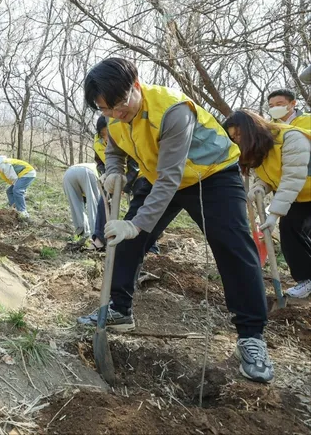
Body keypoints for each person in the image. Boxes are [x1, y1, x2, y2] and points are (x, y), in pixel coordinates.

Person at [78, 57, 273, 383]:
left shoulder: (172, 111)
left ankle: (251, 337)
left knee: (233, 248)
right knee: (126, 242)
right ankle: (119, 309)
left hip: (211, 175)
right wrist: (114, 171)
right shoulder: (113, 115)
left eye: (120, 105)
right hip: (159, 176)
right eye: (105, 109)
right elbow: (115, 148)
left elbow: (171, 178)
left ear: (135, 86)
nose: (115, 114)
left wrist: (137, 224)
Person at [223, 110, 311, 299]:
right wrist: (260, 187)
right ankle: (307, 278)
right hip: (300, 194)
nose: (237, 140)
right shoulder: (260, 147)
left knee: (292, 227)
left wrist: (274, 215)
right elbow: (269, 175)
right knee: (291, 229)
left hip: (302, 189)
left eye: (238, 134)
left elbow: (292, 178)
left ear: (250, 128)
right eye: (233, 138)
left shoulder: (290, 138)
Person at [94, 116, 159, 254]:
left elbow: (134, 165)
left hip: (140, 175)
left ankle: (150, 245)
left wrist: (124, 186)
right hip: (114, 176)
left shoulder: (126, 133)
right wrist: (105, 174)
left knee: (140, 202)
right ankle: (100, 239)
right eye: (103, 135)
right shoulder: (97, 142)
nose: (106, 138)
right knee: (103, 200)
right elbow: (99, 162)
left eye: (108, 134)